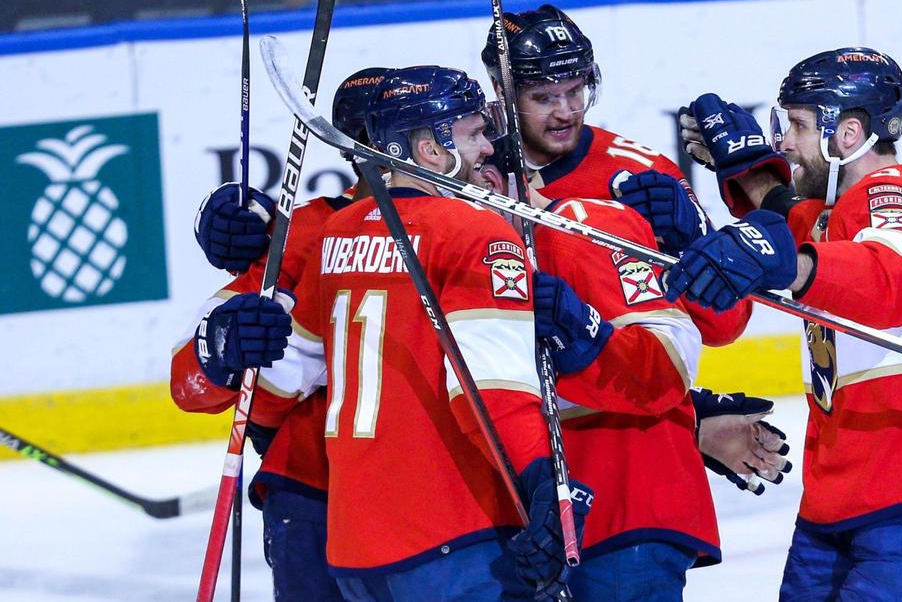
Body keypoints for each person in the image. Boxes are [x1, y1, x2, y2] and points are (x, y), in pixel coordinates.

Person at [668, 47, 902, 602]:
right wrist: (744, 169)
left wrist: (790, 261)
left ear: (849, 132)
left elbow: (891, 277)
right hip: (845, 496)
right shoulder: (835, 213)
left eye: (798, 125)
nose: (784, 141)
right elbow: (797, 225)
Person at [480, 5, 792, 601]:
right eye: (545, 96)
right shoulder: (469, 170)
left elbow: (726, 323)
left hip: (626, 482)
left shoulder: (639, 172)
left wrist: (688, 244)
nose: (566, 110)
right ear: (501, 89)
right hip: (509, 486)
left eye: (577, 91)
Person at [251, 65, 591, 602]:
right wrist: (546, 483)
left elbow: (280, 382)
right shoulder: (475, 230)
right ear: (431, 149)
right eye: (475, 132)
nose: (488, 148)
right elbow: (490, 392)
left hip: (355, 549)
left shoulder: (339, 232)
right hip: (454, 533)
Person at [170, 67, 392, 602]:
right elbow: (188, 380)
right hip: (318, 491)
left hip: (446, 497)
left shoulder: (478, 218)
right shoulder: (309, 232)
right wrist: (226, 344)